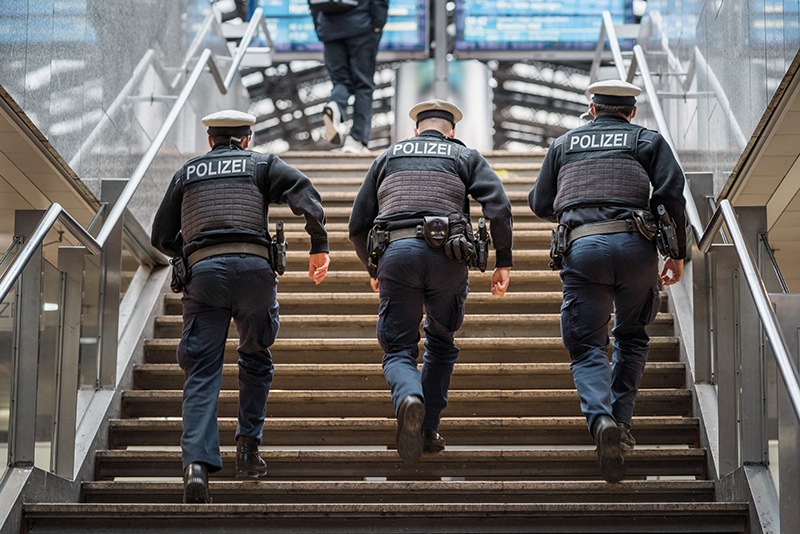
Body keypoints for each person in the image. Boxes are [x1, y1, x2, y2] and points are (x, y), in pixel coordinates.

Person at [151, 109, 330, 503]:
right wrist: (319, 245)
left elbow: (160, 235)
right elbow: (305, 193)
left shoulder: (188, 173)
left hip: (204, 278)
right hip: (254, 273)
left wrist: (189, 253)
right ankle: (248, 452)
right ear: (247, 140)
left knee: (201, 369)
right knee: (255, 356)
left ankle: (196, 466)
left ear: (210, 141)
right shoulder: (263, 164)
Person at [529, 79, 687, 483]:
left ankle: (601, 422)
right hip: (637, 249)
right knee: (631, 336)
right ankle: (623, 422)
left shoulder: (564, 144)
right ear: (631, 112)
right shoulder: (647, 140)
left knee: (586, 346)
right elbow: (671, 195)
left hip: (582, 249)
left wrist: (580, 211)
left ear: (592, 109)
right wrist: (677, 252)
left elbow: (540, 202)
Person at [348, 99, 513, 463]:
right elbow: (498, 206)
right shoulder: (463, 155)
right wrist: (503, 261)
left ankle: (408, 397)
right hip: (448, 258)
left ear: (415, 130)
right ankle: (429, 428)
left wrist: (373, 268)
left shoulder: (388, 157)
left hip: (397, 254)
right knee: (440, 341)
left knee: (397, 349)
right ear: (451, 131)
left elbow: (357, 225)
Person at [310, 0, 388, 153]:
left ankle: (336, 105)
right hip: (361, 26)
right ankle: (356, 140)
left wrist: (319, 26)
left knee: (341, 81)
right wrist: (378, 23)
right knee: (363, 84)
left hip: (329, 28)